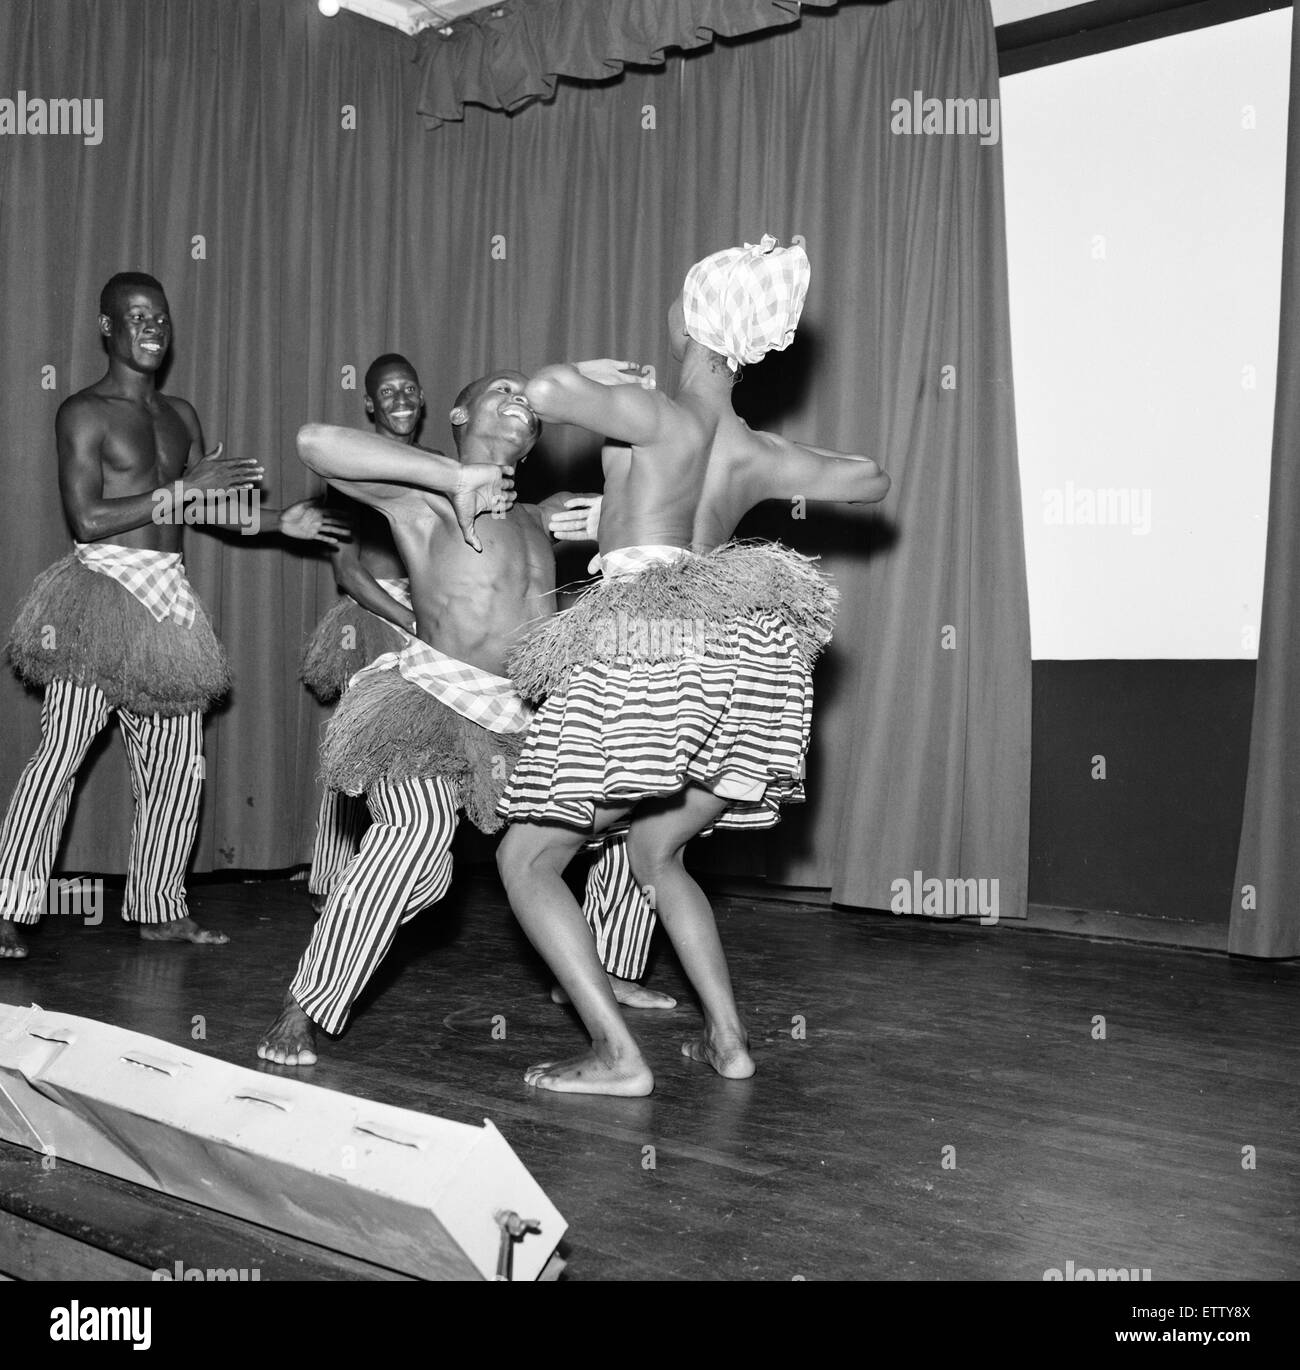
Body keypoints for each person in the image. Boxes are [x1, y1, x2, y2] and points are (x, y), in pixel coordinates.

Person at [496, 236, 891, 1095]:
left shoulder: (657, 413)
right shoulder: (751, 448)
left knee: (525, 861)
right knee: (657, 852)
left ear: (695, 319)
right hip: (738, 657)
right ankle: (730, 1041)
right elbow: (871, 481)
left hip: (646, 646)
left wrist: (604, 381)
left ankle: (617, 1057)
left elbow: (544, 392)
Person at [0, 272, 347, 958]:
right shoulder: (82, 412)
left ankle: (159, 906)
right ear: (107, 328)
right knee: (60, 756)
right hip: (99, 596)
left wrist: (284, 523)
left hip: (168, 607)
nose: (151, 327)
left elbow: (202, 509)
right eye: (135, 316)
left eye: (159, 316)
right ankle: (11, 902)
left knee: (177, 767)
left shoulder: (180, 416)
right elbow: (89, 517)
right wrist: (183, 486)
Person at [256, 370, 548, 1065]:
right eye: (501, 388)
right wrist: (454, 476)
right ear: (457, 413)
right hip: (426, 702)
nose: (518, 399)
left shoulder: (541, 516)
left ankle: (610, 983)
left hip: (514, 721)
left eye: (529, 399)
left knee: (434, 879)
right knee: (416, 830)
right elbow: (315, 442)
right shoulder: (426, 503)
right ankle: (303, 1005)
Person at [300, 354, 422, 909]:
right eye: (387, 392)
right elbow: (349, 570)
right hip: (373, 620)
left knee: (416, 750)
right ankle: (332, 881)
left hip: (427, 620)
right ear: (369, 403)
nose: (399, 399)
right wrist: (409, 622)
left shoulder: (439, 466)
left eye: (408, 389)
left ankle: (401, 870)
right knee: (359, 746)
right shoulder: (350, 470)